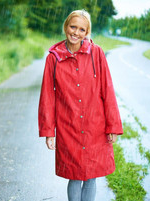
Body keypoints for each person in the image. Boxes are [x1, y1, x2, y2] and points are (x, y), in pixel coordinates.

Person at [38, 10, 123, 201]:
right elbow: (47, 97)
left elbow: (107, 90)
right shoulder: (54, 57)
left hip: (95, 126)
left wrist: (113, 126)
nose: (76, 32)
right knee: (75, 176)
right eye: (73, 27)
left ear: (87, 32)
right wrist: (48, 131)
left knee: (91, 175)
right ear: (66, 26)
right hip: (69, 126)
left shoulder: (97, 53)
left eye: (82, 29)